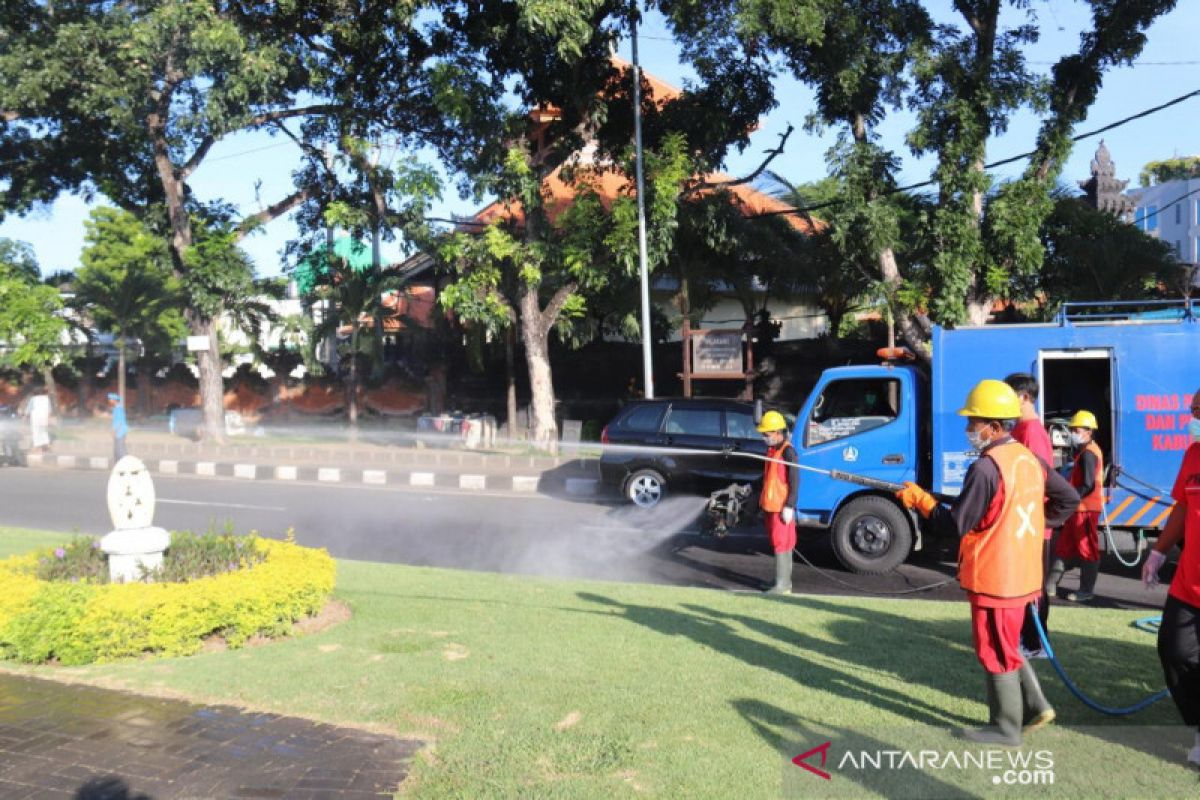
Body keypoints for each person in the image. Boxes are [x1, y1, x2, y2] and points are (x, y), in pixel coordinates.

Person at [896, 379, 1078, 746]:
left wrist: (919, 500)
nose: (968, 430)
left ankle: (1006, 728)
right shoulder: (1030, 459)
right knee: (1008, 643)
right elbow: (1067, 499)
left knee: (995, 649)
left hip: (997, 578)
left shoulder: (986, 468)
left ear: (995, 427)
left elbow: (953, 525)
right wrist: (1034, 524)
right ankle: (1036, 706)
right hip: (1023, 575)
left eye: (972, 423)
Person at [1144, 388, 1200, 765]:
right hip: (1188, 584)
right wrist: (1158, 551)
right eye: (1193, 410)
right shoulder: (1193, 454)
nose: (1193, 418)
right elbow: (1183, 504)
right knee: (1174, 651)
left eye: (1199, 410)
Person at [1004, 373, 1056, 658]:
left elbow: (1037, 480)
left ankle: (1036, 644)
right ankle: (1028, 639)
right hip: (1025, 521)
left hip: (1032, 523)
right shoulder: (1022, 430)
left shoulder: (1033, 433)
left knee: (1033, 586)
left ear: (1023, 397)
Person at [1046, 411, 1104, 603]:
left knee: (1087, 549)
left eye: (1076, 429)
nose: (1072, 433)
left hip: (1086, 509)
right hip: (1078, 509)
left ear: (1088, 431)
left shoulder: (1089, 454)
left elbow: (1088, 484)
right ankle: (1050, 585)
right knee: (1065, 546)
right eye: (1072, 429)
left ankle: (1086, 590)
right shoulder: (1086, 451)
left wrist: (1070, 498)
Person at [757, 410, 799, 595]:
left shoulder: (788, 451)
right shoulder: (772, 450)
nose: (764, 437)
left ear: (777, 432)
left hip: (781, 507)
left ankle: (783, 586)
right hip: (770, 506)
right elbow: (768, 478)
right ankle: (779, 581)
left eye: (766, 434)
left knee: (782, 542)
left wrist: (789, 505)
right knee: (777, 542)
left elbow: (795, 481)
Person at [108, 392, 128, 460]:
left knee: (120, 450)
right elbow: (114, 419)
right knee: (117, 450)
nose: (109, 401)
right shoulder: (116, 408)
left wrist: (114, 431)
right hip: (118, 432)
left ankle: (125, 463)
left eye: (110, 399)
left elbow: (119, 422)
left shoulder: (118, 409)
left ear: (115, 400)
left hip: (120, 431)